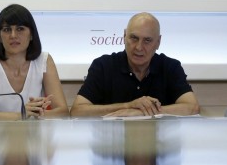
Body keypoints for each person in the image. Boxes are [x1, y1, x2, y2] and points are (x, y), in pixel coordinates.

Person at [70, 12, 200, 117]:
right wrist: (128, 106)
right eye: (134, 38)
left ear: (158, 42)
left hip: (159, 147)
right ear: (124, 36)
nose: (138, 47)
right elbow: (77, 111)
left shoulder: (171, 67)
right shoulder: (103, 66)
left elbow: (192, 107)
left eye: (147, 40)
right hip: (113, 147)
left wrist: (140, 112)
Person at [0, 4, 68, 120]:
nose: (13, 35)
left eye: (20, 29)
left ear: (31, 34)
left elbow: (63, 112)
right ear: (0, 37)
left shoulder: (44, 60)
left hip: (34, 136)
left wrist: (37, 112)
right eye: (7, 30)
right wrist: (21, 115)